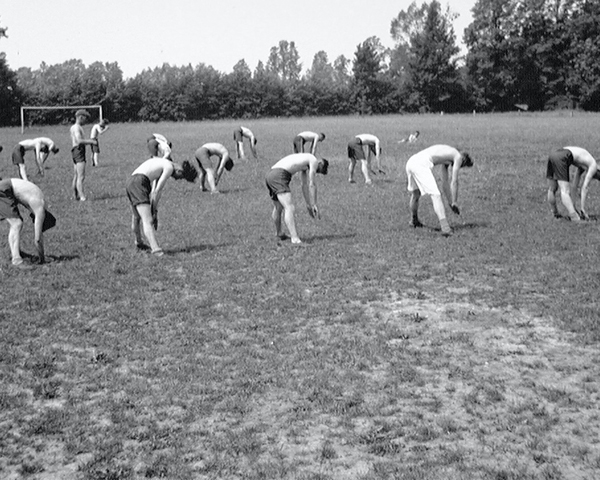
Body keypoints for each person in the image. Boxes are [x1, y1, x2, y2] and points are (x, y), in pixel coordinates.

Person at [125, 157, 196, 256]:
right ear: (180, 171)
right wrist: (153, 214)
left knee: (136, 217)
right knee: (147, 220)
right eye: (179, 177)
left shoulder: (163, 162)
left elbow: (154, 191)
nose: (175, 179)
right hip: (139, 183)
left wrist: (154, 211)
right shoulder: (169, 167)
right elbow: (158, 190)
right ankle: (156, 250)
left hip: (131, 181)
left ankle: (139, 243)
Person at [406, 144, 473, 237]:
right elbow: (454, 181)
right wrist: (455, 201)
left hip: (411, 162)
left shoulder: (448, 154)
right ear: (464, 160)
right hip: (421, 164)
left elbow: (445, 183)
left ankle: (414, 220)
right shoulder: (458, 156)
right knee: (435, 195)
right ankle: (445, 228)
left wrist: (451, 203)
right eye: (462, 165)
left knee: (416, 193)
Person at [265, 153, 329, 244]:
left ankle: (279, 233)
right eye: (318, 170)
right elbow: (312, 184)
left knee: (278, 207)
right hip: (279, 175)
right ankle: (294, 238)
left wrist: (308, 204)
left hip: (270, 174)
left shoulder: (304, 162)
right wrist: (315, 204)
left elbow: (304, 185)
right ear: (320, 163)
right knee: (289, 207)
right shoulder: (313, 160)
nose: (316, 171)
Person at [0, 177, 55, 266]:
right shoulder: (40, 209)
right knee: (16, 223)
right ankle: (16, 260)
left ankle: (18, 252)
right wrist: (42, 259)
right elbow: (38, 239)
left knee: (17, 222)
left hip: (9, 187)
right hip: (5, 189)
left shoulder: (42, 202)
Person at [546, 146, 600, 222]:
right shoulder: (593, 165)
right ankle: (574, 217)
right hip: (563, 156)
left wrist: (574, 205)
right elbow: (585, 187)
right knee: (565, 191)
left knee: (552, 188)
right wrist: (582, 209)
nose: (593, 177)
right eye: (597, 177)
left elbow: (575, 185)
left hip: (554, 154)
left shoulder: (583, 164)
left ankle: (555, 214)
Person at [70, 109, 98, 201]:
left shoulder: (73, 127)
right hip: (79, 151)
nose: (86, 121)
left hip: (75, 151)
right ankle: (82, 196)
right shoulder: (77, 128)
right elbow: (79, 141)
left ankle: (75, 196)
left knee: (76, 175)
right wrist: (91, 141)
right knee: (81, 176)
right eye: (85, 118)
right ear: (80, 117)